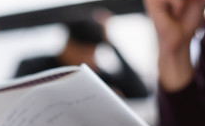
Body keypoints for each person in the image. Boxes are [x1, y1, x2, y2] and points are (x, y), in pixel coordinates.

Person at [15, 12, 150, 99]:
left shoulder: (94, 75)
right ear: (68, 44)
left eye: (92, 53)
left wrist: (111, 43)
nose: (87, 59)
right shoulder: (32, 67)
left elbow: (140, 92)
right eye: (82, 52)